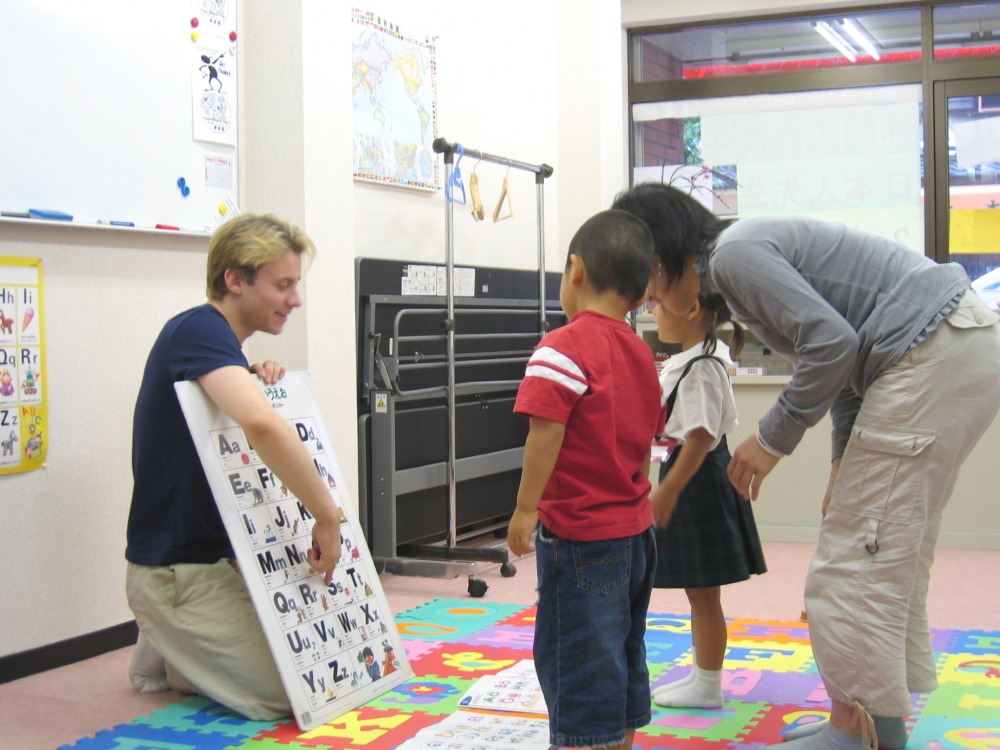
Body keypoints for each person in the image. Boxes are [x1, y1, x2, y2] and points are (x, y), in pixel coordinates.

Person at [613, 182, 1000, 750]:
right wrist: (842, 457)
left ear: (657, 258)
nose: (648, 303)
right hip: (950, 344)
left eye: (642, 288)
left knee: (853, 561)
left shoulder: (734, 256)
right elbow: (846, 357)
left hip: (933, 348)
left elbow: (833, 345)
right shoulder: (737, 264)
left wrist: (772, 439)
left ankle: (856, 730)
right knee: (885, 550)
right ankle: (874, 723)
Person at [124, 213, 342, 721]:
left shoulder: (219, 345)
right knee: (296, 694)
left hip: (218, 560)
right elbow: (261, 424)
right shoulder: (198, 329)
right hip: (175, 571)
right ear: (235, 280)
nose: (295, 299)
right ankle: (173, 650)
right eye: (283, 285)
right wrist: (326, 514)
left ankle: (174, 644)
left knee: (330, 659)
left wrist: (252, 374)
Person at [506, 209, 667, 750]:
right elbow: (645, 441)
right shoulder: (642, 353)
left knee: (577, 659)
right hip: (637, 534)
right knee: (621, 646)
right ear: (640, 294)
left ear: (575, 270)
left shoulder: (562, 346)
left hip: (582, 537)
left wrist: (526, 507)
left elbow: (545, 433)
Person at [646, 288, 767, 710]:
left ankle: (708, 684)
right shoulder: (694, 361)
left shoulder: (700, 368)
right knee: (699, 592)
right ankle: (704, 676)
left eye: (658, 303)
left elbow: (699, 436)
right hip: (690, 475)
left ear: (692, 308)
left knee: (703, 592)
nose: (652, 311)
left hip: (696, 481)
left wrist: (669, 489)